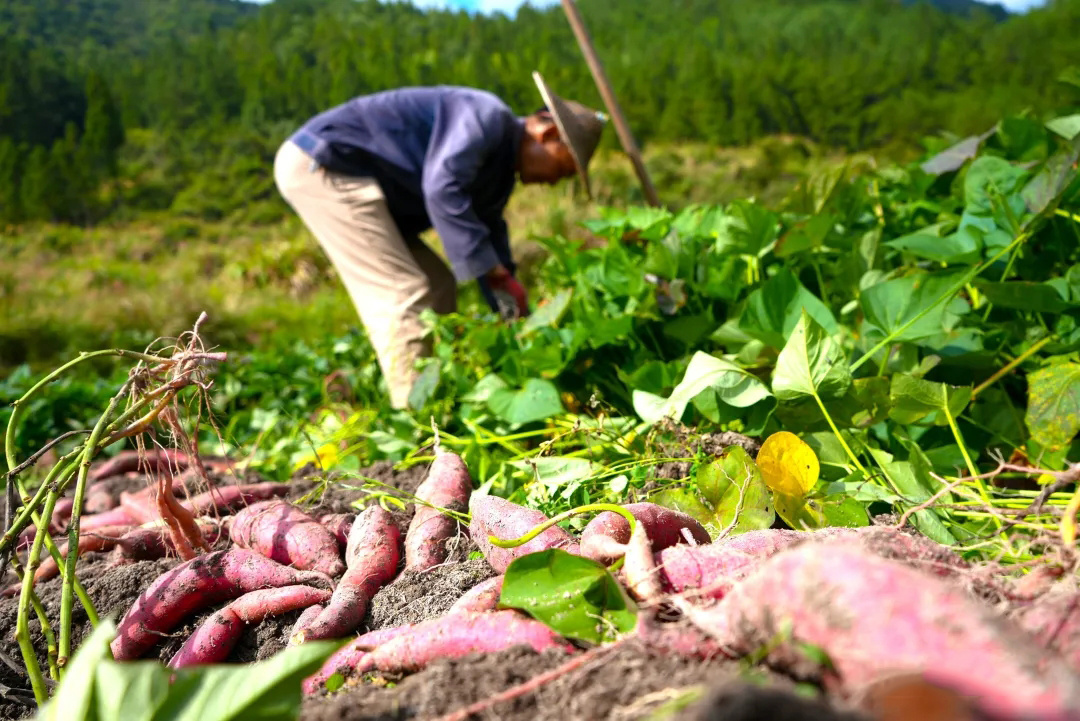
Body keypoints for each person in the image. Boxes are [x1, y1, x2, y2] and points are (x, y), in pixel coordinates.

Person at [274, 71, 607, 410]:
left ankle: (438, 393)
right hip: (326, 165)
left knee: (438, 284)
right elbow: (443, 186)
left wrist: (507, 295)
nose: (555, 181)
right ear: (548, 133)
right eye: (563, 170)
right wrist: (493, 272)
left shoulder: (500, 170)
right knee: (404, 291)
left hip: (364, 184)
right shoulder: (486, 117)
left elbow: (486, 226)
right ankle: (414, 419)